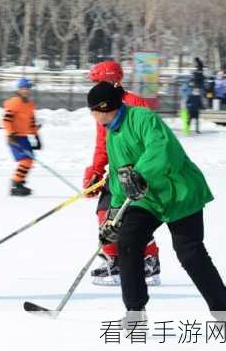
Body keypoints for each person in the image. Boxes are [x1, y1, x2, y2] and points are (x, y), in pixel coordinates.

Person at [88, 81, 226, 327]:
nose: (92, 116)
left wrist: (139, 174)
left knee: (190, 253)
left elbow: (161, 149)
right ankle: (135, 313)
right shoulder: (112, 134)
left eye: (93, 110)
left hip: (178, 192)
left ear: (104, 107)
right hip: (147, 200)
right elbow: (120, 178)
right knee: (128, 243)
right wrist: (114, 215)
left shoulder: (142, 118)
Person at [84, 61, 161, 286]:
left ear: (111, 80)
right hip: (117, 172)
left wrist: (141, 172)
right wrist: (96, 171)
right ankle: (114, 259)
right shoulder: (102, 103)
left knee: (135, 220)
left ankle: (149, 260)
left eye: (98, 81)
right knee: (104, 215)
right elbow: (102, 143)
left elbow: (149, 141)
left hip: (138, 174)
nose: (95, 86)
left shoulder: (136, 104)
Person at [2, 78, 41, 196]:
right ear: (19, 89)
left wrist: (37, 137)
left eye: (28, 88)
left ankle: (19, 183)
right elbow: (6, 120)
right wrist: (10, 133)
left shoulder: (30, 104)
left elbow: (32, 123)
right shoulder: (14, 102)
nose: (26, 91)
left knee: (29, 161)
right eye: (24, 88)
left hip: (24, 137)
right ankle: (15, 184)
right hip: (14, 137)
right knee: (25, 160)